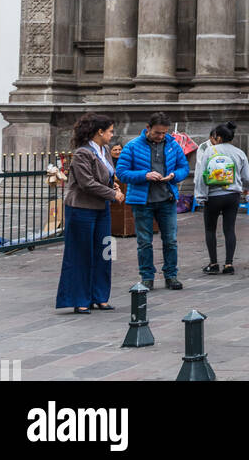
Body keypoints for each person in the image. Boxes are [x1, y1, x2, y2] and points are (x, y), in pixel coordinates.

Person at [55, 114, 123, 314]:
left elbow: (105, 175)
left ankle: (100, 296)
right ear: (99, 132)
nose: (112, 134)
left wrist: (113, 184)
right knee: (81, 254)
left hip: (102, 208)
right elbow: (87, 183)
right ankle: (80, 298)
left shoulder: (105, 151)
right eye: (110, 131)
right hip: (81, 208)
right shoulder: (82, 153)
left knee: (105, 251)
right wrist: (113, 194)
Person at [115, 112, 189, 290]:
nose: (161, 136)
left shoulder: (172, 145)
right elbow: (121, 172)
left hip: (167, 199)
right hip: (142, 201)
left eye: (164, 133)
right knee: (144, 241)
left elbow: (184, 167)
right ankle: (147, 276)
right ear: (147, 129)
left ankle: (171, 275)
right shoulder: (132, 146)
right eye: (157, 133)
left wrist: (174, 175)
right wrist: (144, 175)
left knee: (170, 240)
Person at [193, 122, 249, 275]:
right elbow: (246, 176)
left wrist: (200, 195)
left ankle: (213, 263)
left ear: (217, 137)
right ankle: (228, 264)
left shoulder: (209, 151)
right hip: (232, 196)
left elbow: (200, 175)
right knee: (229, 229)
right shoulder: (239, 153)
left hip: (213, 196)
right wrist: (245, 189)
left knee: (210, 229)